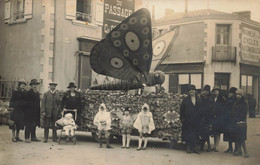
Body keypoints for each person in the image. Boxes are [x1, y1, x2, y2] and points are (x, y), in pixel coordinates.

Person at [180, 84, 201, 154]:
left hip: (197, 120)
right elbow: (181, 110)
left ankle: (195, 148)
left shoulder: (199, 99)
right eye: (190, 90)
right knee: (188, 134)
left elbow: (202, 109)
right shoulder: (185, 100)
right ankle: (188, 147)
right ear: (188, 92)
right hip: (188, 121)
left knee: (196, 134)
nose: (191, 91)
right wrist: (183, 119)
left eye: (193, 90)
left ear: (195, 91)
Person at [232, 89, 249, 158]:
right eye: (237, 94)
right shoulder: (236, 102)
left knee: (241, 137)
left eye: (239, 95)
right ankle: (239, 151)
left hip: (241, 122)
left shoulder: (244, 103)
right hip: (236, 121)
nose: (238, 96)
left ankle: (245, 151)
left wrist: (239, 119)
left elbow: (244, 113)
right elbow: (233, 112)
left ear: (242, 95)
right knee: (237, 137)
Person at [211, 85, 226, 152]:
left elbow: (223, 109)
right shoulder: (211, 98)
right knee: (214, 132)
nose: (216, 92)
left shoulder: (222, 99)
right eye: (214, 91)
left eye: (217, 91)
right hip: (213, 118)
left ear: (219, 92)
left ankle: (216, 146)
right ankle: (214, 146)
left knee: (218, 132)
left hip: (219, 118)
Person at [199, 85, 213, 152]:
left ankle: (207, 146)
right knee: (203, 133)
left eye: (207, 91)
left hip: (207, 117)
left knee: (206, 133)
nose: (206, 92)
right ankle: (203, 146)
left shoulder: (209, 98)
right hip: (202, 117)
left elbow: (210, 108)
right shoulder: (202, 97)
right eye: (205, 90)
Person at [223, 87, 237, 153]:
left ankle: (236, 149)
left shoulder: (235, 100)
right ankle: (230, 148)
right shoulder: (228, 99)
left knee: (234, 134)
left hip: (233, 120)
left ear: (233, 93)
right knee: (229, 134)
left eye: (230, 93)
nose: (229, 94)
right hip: (228, 120)